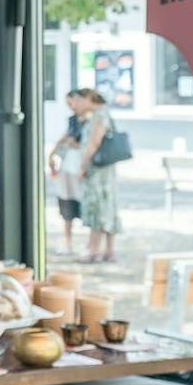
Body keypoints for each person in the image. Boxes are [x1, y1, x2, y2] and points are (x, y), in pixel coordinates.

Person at [76, 87, 121, 264]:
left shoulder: (99, 115)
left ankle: (93, 249)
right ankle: (108, 251)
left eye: (80, 100)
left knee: (97, 207)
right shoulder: (102, 114)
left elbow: (94, 142)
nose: (78, 104)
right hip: (105, 170)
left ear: (89, 98)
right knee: (108, 206)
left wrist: (83, 165)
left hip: (98, 170)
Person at [47, 90, 87, 254]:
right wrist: (52, 154)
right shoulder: (73, 121)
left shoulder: (92, 122)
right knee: (66, 203)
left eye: (72, 102)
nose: (71, 107)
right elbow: (64, 138)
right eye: (68, 104)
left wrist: (74, 144)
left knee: (83, 203)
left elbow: (89, 146)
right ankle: (67, 241)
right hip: (68, 167)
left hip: (81, 168)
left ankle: (91, 245)